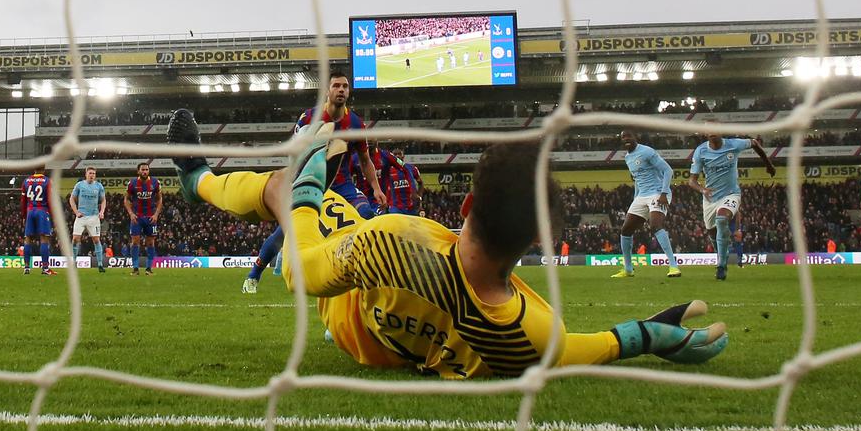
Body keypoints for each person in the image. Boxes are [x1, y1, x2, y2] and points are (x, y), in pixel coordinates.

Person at [167, 110, 728, 378]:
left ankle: (196, 181)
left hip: (351, 317)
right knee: (347, 208)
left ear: (465, 206)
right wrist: (651, 334)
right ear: (535, 240)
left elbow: (300, 274)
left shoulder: (394, 242)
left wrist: (306, 187)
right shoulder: (532, 331)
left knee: (279, 190)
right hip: (393, 332)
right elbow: (589, 346)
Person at [241, 72, 385, 294]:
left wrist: (375, 188)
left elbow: (365, 160)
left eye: (345, 86)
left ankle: (366, 277)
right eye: (336, 86)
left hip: (342, 185)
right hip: (311, 182)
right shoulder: (308, 118)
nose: (341, 90)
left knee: (366, 216)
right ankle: (253, 275)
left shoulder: (355, 123)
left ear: (348, 91)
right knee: (285, 232)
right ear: (327, 91)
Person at [686, 134, 775, 280]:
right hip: (710, 197)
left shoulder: (734, 144)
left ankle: (721, 266)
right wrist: (703, 190)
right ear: (706, 135)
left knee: (721, 219)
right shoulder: (700, 151)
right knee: (712, 233)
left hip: (731, 194)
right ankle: (723, 254)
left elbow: (754, 143)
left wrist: (768, 164)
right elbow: (692, 181)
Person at [612, 130, 682, 279]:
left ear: (635, 137)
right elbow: (637, 179)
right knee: (626, 230)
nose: (626, 139)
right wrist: (635, 198)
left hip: (657, 192)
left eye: (629, 135)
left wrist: (664, 193)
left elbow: (668, 170)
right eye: (623, 137)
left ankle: (674, 266)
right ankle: (628, 269)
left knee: (655, 225)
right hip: (641, 196)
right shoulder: (627, 157)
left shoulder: (647, 152)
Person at [125, 162, 163, 275]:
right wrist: (131, 214)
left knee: (150, 243)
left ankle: (148, 269)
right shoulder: (132, 183)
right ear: (138, 171)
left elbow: (160, 199)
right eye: (142, 169)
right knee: (135, 242)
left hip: (151, 218)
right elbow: (126, 199)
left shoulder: (155, 182)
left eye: (146, 169)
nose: (145, 171)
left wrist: (156, 214)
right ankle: (135, 269)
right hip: (137, 217)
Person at [70, 166, 108, 273]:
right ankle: (74, 262)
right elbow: (72, 199)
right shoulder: (80, 185)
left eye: (94, 174)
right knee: (75, 239)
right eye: (90, 173)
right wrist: (76, 212)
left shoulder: (99, 186)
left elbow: (103, 200)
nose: (92, 175)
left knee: (96, 240)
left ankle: (100, 265)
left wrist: (102, 212)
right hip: (81, 217)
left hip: (94, 217)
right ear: (86, 174)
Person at [21, 170, 55, 276]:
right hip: (42, 211)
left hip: (30, 211)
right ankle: (45, 268)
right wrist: (52, 215)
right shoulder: (47, 181)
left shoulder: (26, 181)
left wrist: (24, 215)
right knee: (44, 238)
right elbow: (50, 200)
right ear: (44, 170)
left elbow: (23, 200)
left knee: (27, 239)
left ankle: (26, 268)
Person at [376, 146, 421, 216]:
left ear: (403, 156)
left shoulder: (412, 168)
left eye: (399, 154)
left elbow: (420, 182)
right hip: (395, 208)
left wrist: (419, 196)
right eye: (395, 154)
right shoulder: (387, 170)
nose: (397, 156)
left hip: (411, 207)